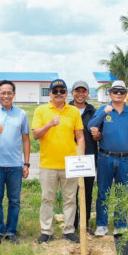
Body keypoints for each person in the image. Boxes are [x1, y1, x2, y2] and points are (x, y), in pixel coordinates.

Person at [32, 79, 84, 244]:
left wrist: (80, 156)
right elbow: (36, 135)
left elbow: (80, 136)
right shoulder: (41, 110)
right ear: (50, 93)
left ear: (66, 93)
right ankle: (46, 231)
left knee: (70, 199)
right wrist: (49, 124)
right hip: (48, 164)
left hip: (70, 163)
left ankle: (69, 230)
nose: (59, 94)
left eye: (62, 91)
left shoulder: (74, 111)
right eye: (56, 91)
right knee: (47, 199)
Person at [0, 80, 31, 244]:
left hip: (16, 165)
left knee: (15, 200)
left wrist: (26, 163)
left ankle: (11, 231)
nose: (6, 95)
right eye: (3, 92)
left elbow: (26, 140)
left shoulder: (22, 114)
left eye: (9, 92)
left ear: (14, 94)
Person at [89, 80, 128, 236]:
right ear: (110, 93)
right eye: (115, 91)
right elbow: (91, 125)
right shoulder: (104, 109)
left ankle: (120, 224)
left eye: (122, 91)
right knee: (103, 192)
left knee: (122, 193)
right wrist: (104, 112)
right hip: (105, 157)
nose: (119, 94)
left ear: (126, 94)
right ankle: (101, 225)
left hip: (125, 159)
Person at [70, 81, 100, 234]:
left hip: (88, 158)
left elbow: (100, 136)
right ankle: (72, 224)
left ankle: (85, 222)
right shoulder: (66, 110)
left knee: (87, 192)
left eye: (84, 91)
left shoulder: (93, 112)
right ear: (72, 93)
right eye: (77, 91)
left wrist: (98, 135)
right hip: (70, 158)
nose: (80, 94)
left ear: (88, 93)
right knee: (71, 193)